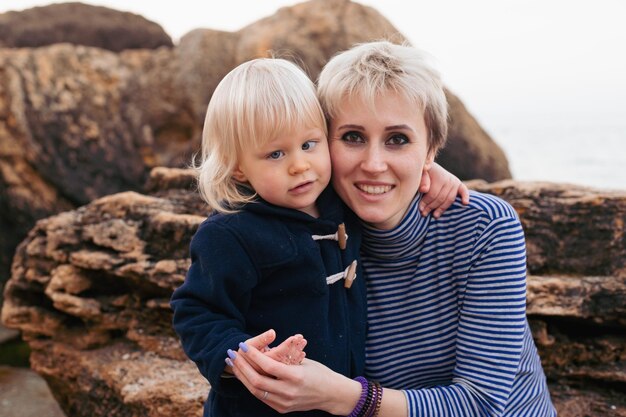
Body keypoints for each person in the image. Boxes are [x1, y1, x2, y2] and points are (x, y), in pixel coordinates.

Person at [228, 41, 556, 417]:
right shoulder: (310, 234)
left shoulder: (483, 226)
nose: (373, 163)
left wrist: (343, 396)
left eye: (398, 140)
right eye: (352, 137)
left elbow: (481, 403)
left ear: (432, 149)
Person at [169, 57, 468, 417]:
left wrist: (431, 169)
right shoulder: (231, 233)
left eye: (309, 144)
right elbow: (196, 311)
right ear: (238, 167)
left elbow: (378, 174)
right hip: (260, 405)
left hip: (336, 402)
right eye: (276, 153)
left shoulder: (338, 203)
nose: (299, 165)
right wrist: (240, 356)